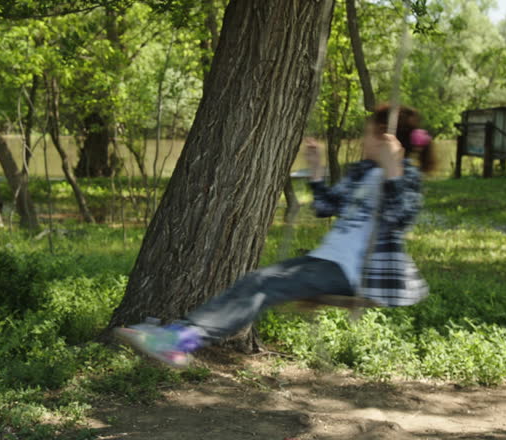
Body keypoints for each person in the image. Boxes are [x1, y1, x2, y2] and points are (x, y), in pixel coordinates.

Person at [114, 104, 437, 368]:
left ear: (384, 137)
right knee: (256, 281)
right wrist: (316, 173)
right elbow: (326, 207)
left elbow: (399, 220)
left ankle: (178, 340)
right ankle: (178, 338)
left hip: (354, 271)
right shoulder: (364, 172)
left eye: (367, 134)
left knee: (262, 285)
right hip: (326, 261)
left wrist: (393, 169)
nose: (362, 140)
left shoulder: (405, 175)